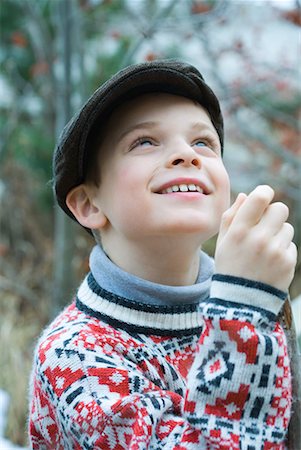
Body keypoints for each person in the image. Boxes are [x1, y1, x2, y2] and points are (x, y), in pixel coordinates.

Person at [28, 60, 297, 449]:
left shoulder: (255, 302)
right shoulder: (73, 355)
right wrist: (243, 306)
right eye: (145, 142)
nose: (187, 155)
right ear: (88, 204)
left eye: (203, 142)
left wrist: (250, 302)